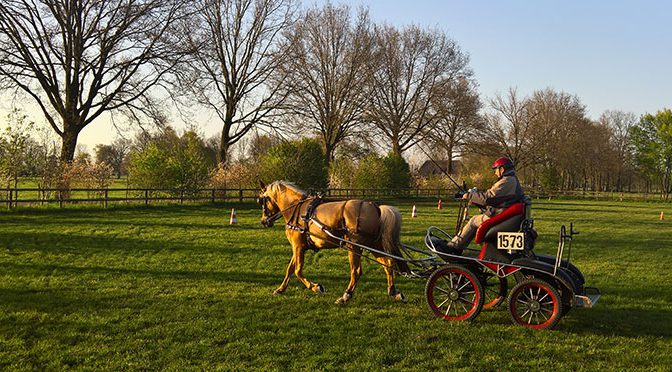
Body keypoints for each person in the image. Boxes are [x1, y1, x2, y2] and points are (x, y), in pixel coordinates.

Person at [447, 156, 525, 250]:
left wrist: (469, 195)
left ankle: (454, 246)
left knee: (473, 221)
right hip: (504, 215)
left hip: (500, 216)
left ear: (502, 169)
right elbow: (496, 200)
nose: (495, 172)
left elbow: (488, 198)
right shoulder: (512, 180)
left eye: (495, 169)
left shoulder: (507, 181)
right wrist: (476, 200)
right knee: (476, 218)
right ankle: (458, 245)